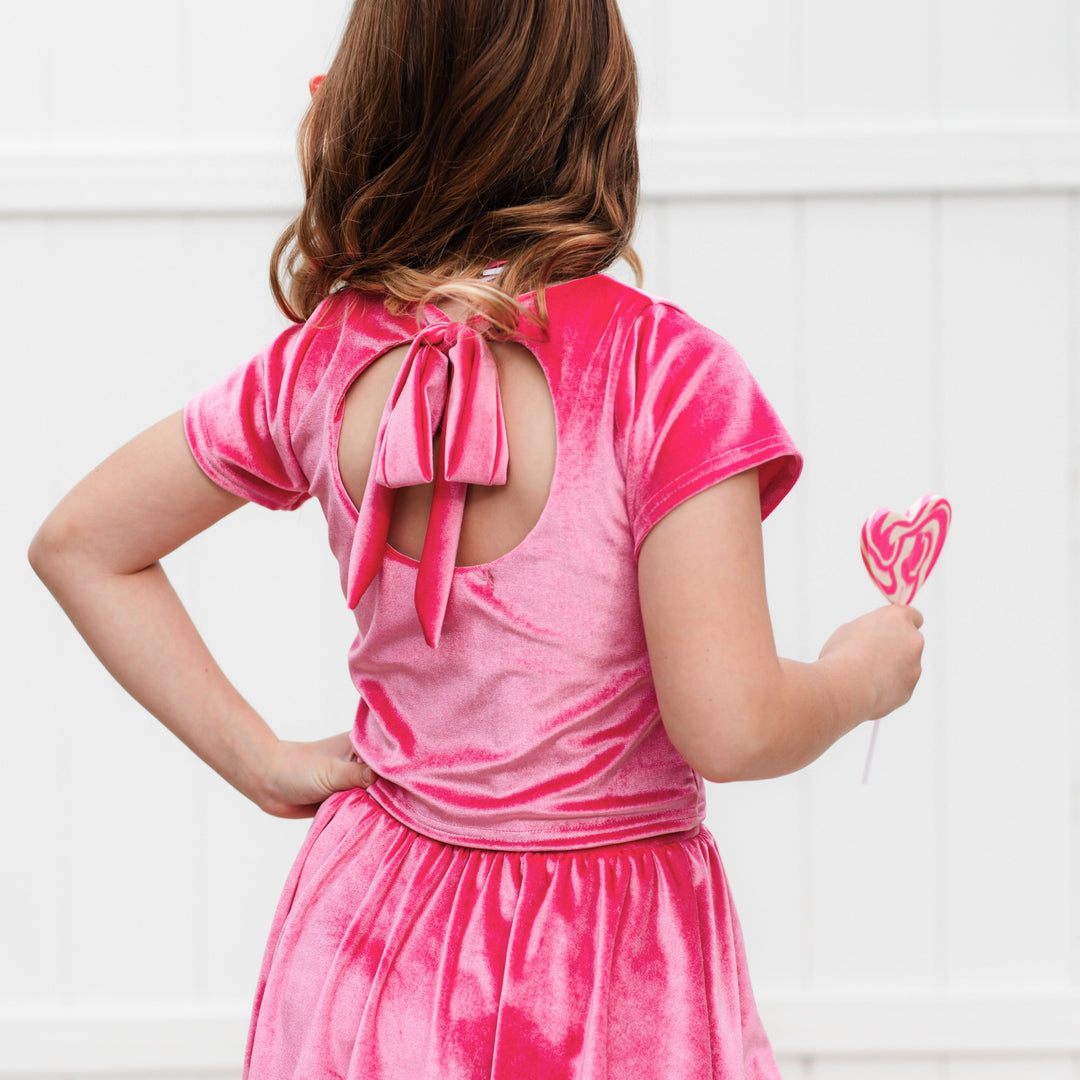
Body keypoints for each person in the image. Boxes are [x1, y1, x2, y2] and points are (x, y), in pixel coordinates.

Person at [28, 1, 925, 1076]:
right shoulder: (666, 382)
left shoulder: (325, 362)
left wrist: (260, 760)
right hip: (599, 965)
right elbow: (730, 727)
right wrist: (856, 676)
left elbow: (82, 542)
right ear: (599, 115)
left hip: (372, 935)